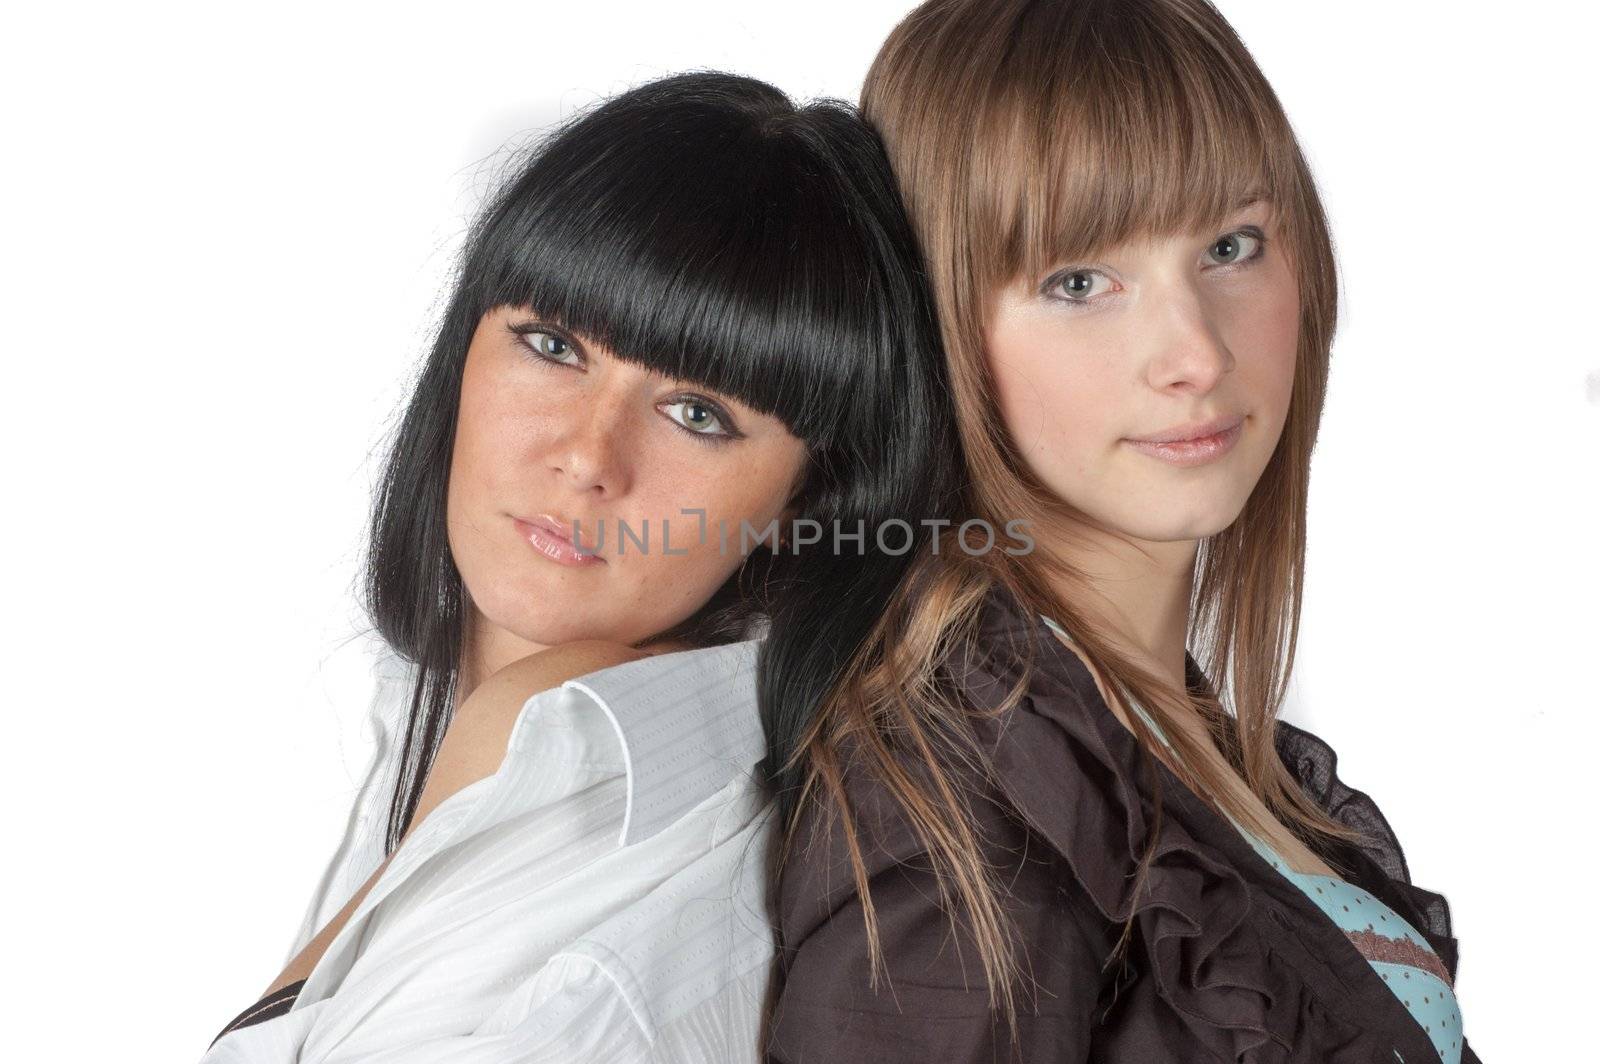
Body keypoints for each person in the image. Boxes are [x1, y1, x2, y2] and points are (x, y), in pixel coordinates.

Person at [762, 2, 1480, 1062]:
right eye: (1078, 281)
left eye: (1230, 245)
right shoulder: (961, 811)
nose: (1192, 351)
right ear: (937, 320)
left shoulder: (1169, 732)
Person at [199, 70, 961, 1062]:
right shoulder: (432, 715)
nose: (587, 456)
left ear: (804, 501)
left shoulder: (604, 913)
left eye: (698, 413)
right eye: (551, 344)